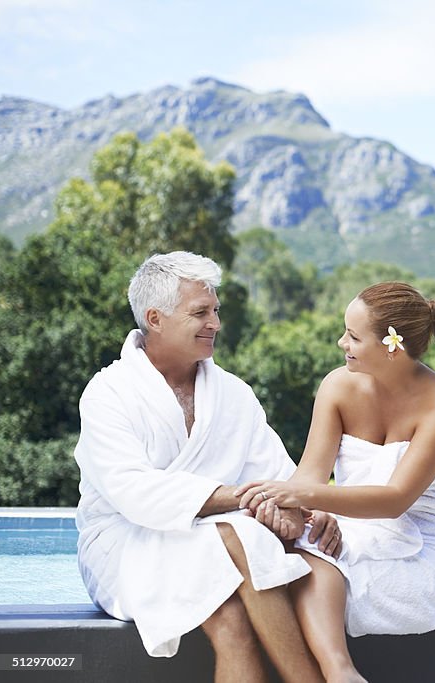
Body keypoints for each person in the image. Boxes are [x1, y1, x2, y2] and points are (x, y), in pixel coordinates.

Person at [74, 251, 342, 683]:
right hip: (126, 545)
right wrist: (248, 499)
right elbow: (136, 495)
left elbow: (280, 474)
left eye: (216, 310)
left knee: (232, 624)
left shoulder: (233, 394)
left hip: (213, 541)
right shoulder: (109, 394)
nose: (215, 323)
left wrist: (309, 506)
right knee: (241, 532)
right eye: (200, 312)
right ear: (155, 318)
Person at [235, 281, 435, 682]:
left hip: (427, 555)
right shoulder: (337, 386)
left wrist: (310, 496)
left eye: (354, 336)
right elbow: (311, 473)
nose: (341, 341)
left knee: (304, 570)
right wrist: (316, 509)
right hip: (355, 533)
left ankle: (338, 672)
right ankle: (341, 675)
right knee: (276, 553)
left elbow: (395, 500)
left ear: (391, 346)